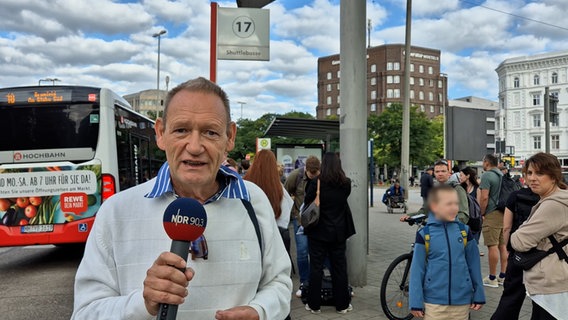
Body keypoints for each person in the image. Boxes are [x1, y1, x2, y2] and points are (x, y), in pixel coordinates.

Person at [72, 77, 292, 320]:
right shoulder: (116, 211)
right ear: (160, 133)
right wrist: (142, 304)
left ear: (229, 137)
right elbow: (85, 312)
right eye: (181, 130)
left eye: (210, 132)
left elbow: (279, 282)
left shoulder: (253, 201)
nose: (195, 146)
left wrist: (260, 311)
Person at [409, 185, 485, 319]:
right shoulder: (425, 234)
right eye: (449, 204)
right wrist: (415, 302)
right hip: (434, 303)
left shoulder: (464, 232)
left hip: (462, 302)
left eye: (456, 203)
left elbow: (474, 265)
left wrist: (479, 294)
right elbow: (417, 270)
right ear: (434, 206)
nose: (454, 208)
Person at [511, 153, 568, 320]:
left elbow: (519, 242)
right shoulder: (559, 199)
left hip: (551, 285)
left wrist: (520, 230)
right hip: (558, 278)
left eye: (539, 173)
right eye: (529, 173)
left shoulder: (553, 205)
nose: (532, 178)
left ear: (553, 177)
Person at [303, 152, 355, 314]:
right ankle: (342, 305)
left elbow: (307, 202)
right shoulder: (346, 183)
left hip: (318, 232)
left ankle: (314, 305)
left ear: (323, 165)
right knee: (339, 268)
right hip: (339, 232)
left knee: (316, 267)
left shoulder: (315, 182)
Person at [491, 183, 539, 320]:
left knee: (511, 298)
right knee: (542, 305)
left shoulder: (515, 196)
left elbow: (506, 227)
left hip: (519, 253)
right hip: (546, 257)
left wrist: (509, 248)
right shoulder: (558, 197)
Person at [284, 156, 320, 298]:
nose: (314, 175)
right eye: (311, 173)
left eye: (316, 173)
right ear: (306, 170)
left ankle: (319, 279)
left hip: (318, 221)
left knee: (318, 251)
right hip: (301, 221)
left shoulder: (321, 176)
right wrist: (294, 214)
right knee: (303, 251)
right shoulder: (295, 176)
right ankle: (304, 282)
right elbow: (285, 194)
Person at [244, 149, 293, 248]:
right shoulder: (278, 188)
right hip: (274, 240)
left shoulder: (244, 184)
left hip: (249, 237)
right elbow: (285, 216)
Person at [402, 160, 469, 224]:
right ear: (434, 173)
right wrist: (411, 216)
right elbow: (426, 210)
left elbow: (463, 215)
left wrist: (450, 222)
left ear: (449, 173)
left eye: (443, 171)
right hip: (435, 228)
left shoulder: (457, 189)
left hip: (452, 230)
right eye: (437, 171)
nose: (440, 174)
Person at [479, 154, 508, 288]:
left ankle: (491, 278)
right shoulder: (501, 175)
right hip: (504, 213)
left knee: (492, 245)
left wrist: (482, 212)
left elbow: (484, 197)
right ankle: (503, 276)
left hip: (492, 213)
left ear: (486, 162)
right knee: (503, 246)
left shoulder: (487, 175)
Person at [460, 167, 482, 243]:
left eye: (461, 175)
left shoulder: (477, 189)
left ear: (468, 176)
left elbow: (479, 206)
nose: (460, 178)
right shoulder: (460, 188)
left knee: (473, 244)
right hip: (463, 219)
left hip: (474, 219)